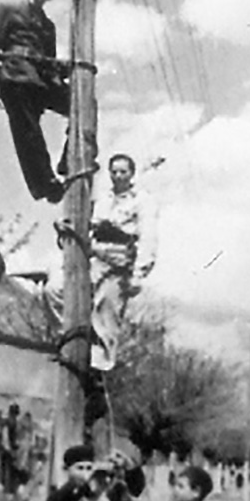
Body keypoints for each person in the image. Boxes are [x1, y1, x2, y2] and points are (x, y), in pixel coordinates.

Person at [0, 0, 69, 204]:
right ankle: (46, 182)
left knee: (82, 105)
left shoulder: (48, 26)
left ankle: (69, 159)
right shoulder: (7, 11)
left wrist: (65, 73)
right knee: (28, 132)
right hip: (15, 76)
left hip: (40, 81)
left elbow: (49, 60)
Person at [90, 153, 157, 371]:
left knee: (107, 309)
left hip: (119, 257)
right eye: (114, 171)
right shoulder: (103, 198)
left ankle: (101, 365)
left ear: (131, 174)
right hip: (94, 252)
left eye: (123, 172)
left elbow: (148, 236)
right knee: (71, 296)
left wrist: (139, 274)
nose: (118, 176)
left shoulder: (141, 200)